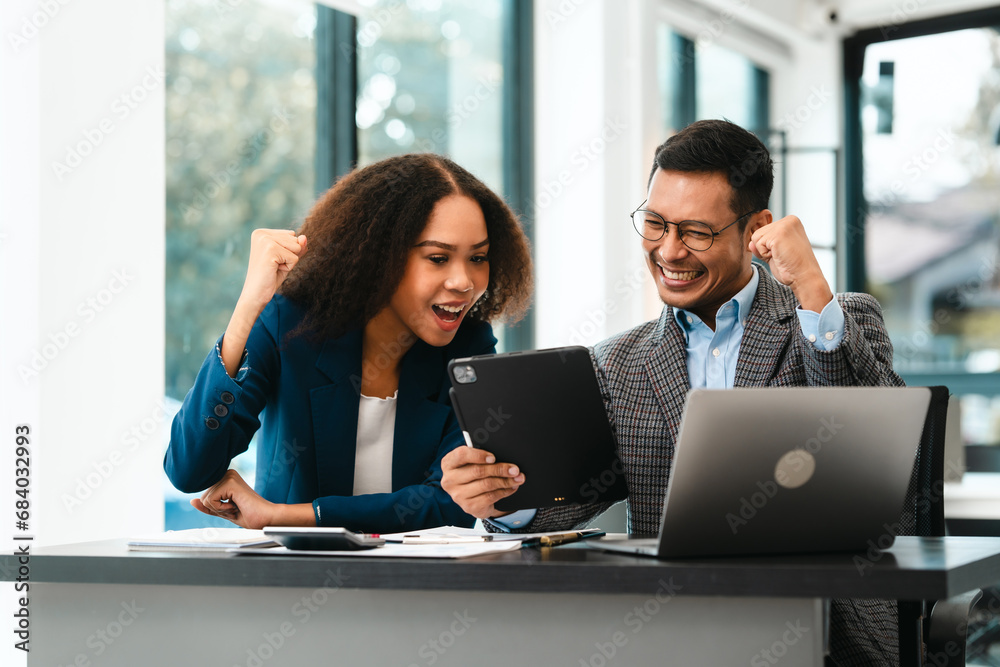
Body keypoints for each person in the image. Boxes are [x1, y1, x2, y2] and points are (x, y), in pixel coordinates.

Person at [441, 120, 904, 666]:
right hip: (672, 631)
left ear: (757, 228)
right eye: (656, 224)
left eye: (696, 232)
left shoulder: (833, 319)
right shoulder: (618, 362)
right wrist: (501, 500)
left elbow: (875, 455)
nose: (669, 251)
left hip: (825, 630)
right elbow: (575, 499)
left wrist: (809, 286)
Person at [165, 153, 532, 534]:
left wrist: (283, 516)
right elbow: (190, 469)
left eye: (478, 257)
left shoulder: (467, 346)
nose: (464, 281)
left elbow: (451, 502)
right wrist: (248, 308)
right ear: (380, 256)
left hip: (417, 584)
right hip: (294, 582)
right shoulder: (289, 325)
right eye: (438, 258)